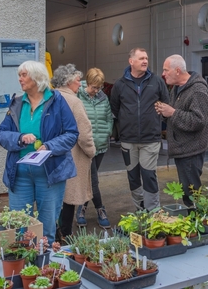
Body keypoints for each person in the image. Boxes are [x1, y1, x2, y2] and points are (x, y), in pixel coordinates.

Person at [0, 60, 78, 243]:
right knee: (19, 227)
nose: (20, 79)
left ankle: (44, 267)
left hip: (49, 175)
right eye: (19, 75)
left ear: (37, 77)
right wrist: (19, 138)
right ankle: (23, 267)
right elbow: (1, 134)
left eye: (23, 75)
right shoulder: (16, 104)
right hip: (20, 175)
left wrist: (50, 146)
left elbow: (72, 134)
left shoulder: (57, 102)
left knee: (46, 229)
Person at [110, 48, 169, 211]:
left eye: (146, 58)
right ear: (131, 61)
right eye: (141, 58)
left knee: (149, 175)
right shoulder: (120, 85)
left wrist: (156, 122)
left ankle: (153, 211)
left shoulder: (156, 82)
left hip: (151, 139)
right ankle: (140, 209)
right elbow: (114, 109)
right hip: (128, 141)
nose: (145, 61)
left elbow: (166, 104)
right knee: (133, 176)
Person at [156, 54, 208, 207]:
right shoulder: (177, 89)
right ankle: (194, 222)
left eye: (166, 70)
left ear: (177, 71)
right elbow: (175, 116)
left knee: (192, 193)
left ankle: (197, 224)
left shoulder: (197, 90)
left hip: (191, 150)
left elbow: (199, 121)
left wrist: (172, 112)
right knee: (188, 191)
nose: (163, 74)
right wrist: (164, 112)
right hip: (182, 148)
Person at [51, 64, 96, 240]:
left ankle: (53, 233)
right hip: (72, 155)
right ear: (69, 82)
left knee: (55, 196)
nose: (81, 84)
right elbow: (84, 133)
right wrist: (91, 151)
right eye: (78, 80)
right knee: (70, 196)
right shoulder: (74, 102)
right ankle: (66, 235)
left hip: (52, 153)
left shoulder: (50, 97)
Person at [76, 67, 114, 229]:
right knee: (93, 181)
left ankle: (82, 208)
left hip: (100, 146)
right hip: (84, 147)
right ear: (88, 82)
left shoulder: (103, 98)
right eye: (93, 87)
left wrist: (107, 133)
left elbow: (108, 117)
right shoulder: (78, 96)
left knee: (89, 180)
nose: (96, 91)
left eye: (99, 88)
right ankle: (100, 209)